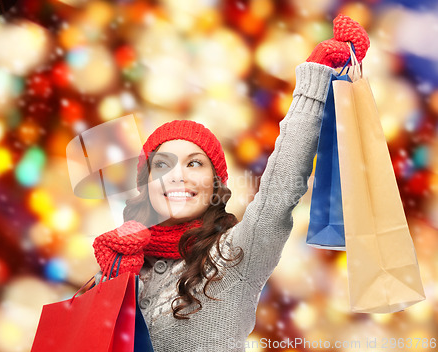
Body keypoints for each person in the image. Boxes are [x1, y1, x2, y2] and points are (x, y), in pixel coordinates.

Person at [92, 14, 370, 352]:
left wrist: (315, 78)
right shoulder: (124, 264)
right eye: (162, 165)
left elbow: (280, 188)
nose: (177, 175)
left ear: (215, 186)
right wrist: (113, 283)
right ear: (146, 184)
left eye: (194, 164)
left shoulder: (235, 255)